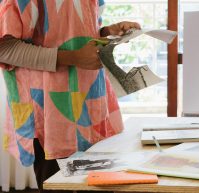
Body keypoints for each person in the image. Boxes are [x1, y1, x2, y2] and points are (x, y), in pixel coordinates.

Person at [0, 0, 140, 192]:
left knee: (97, 185)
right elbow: (4, 49)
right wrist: (74, 57)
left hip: (90, 104)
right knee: (58, 185)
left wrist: (106, 32)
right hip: (49, 111)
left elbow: (73, 33)